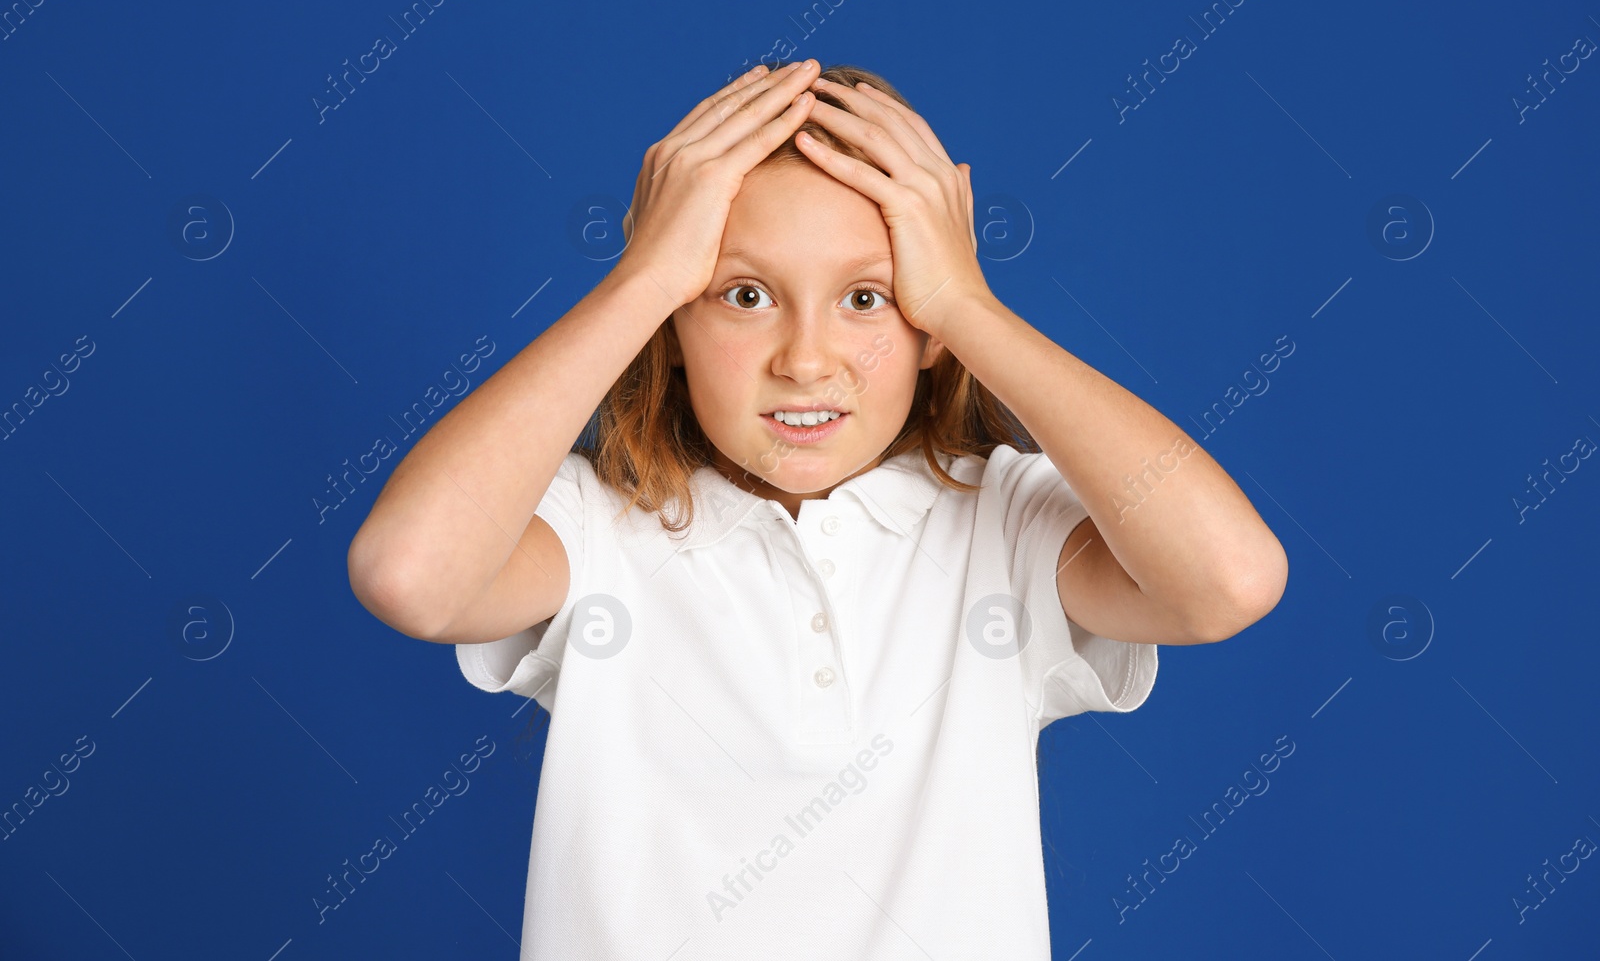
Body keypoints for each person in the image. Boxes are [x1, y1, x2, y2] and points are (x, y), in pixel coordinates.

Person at [346, 58, 1288, 958]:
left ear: (928, 330)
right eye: (744, 294)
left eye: (867, 298)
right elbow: (410, 575)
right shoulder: (597, 530)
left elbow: (1228, 579)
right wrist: (641, 278)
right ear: (673, 324)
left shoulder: (1001, 526)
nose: (805, 358)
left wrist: (967, 301)